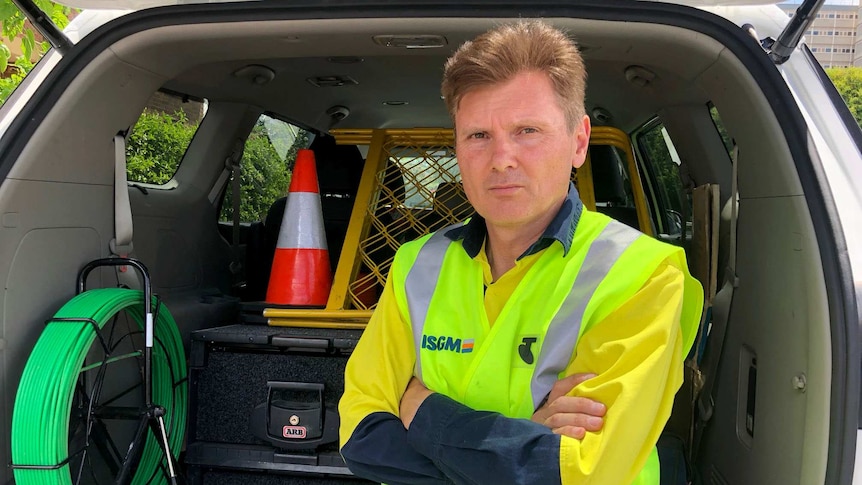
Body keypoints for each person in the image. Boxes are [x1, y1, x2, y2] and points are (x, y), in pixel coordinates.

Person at [339, 20, 703, 484]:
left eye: (527, 130)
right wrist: (524, 438)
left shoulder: (642, 275)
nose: (502, 158)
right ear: (457, 146)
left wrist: (419, 406)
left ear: (579, 141)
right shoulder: (416, 264)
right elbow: (359, 439)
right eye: (478, 136)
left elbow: (578, 473)